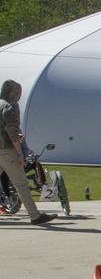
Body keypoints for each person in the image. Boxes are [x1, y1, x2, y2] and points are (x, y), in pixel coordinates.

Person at [0, 80, 55, 225]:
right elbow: (12, 132)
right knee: (21, 184)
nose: (19, 96)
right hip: (6, 150)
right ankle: (35, 216)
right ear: (12, 92)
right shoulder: (9, 107)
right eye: (18, 92)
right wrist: (19, 153)